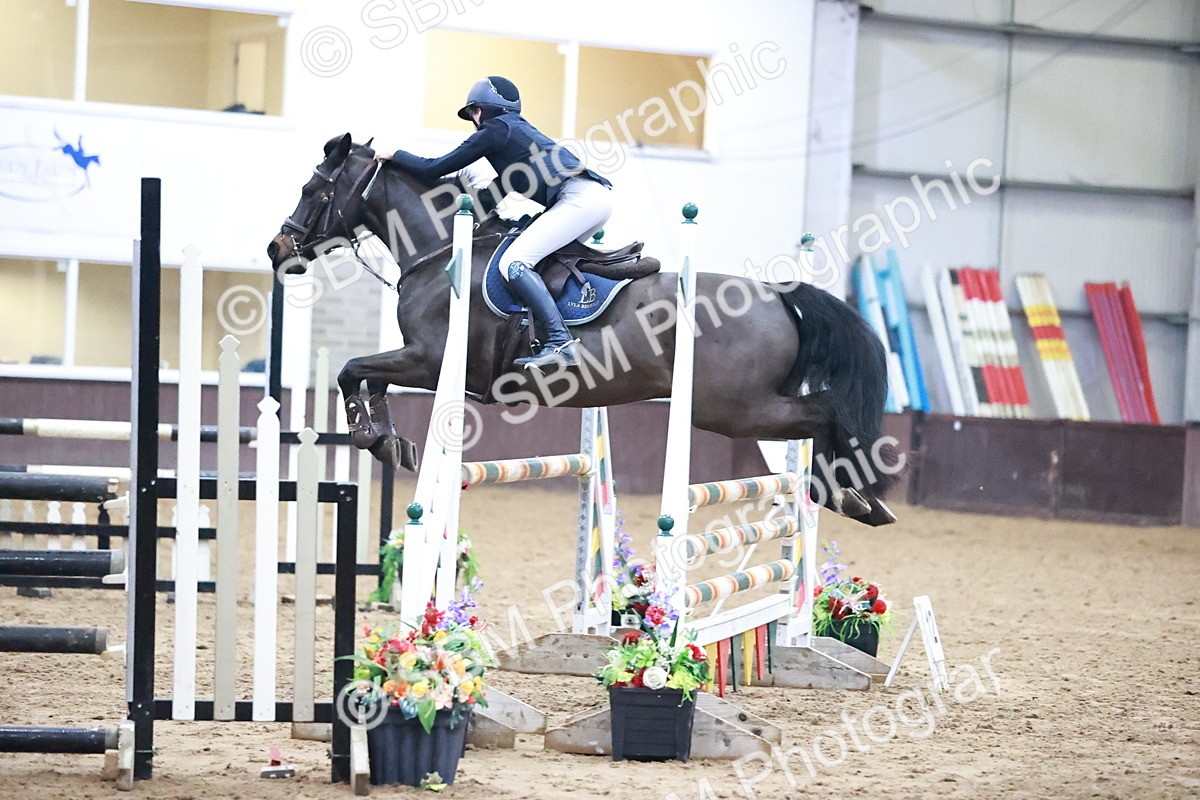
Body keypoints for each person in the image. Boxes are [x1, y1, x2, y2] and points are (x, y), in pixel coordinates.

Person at [377, 76, 612, 370]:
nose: (473, 120)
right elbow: (499, 190)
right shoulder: (517, 136)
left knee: (514, 263)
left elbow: (435, 167)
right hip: (592, 199)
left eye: (473, 112)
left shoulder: (495, 130)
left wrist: (395, 155)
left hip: (579, 199)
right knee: (539, 259)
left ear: (480, 110)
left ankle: (560, 342)